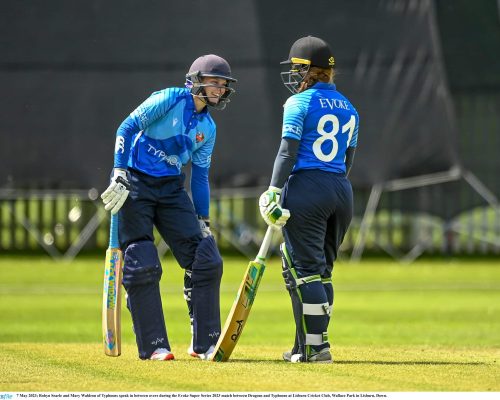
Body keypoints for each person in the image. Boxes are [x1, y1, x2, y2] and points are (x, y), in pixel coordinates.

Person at [100, 54, 237, 361]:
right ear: (196, 81)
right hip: (135, 181)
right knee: (143, 261)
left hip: (171, 188)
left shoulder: (208, 128)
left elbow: (200, 177)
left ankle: (205, 343)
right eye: (214, 82)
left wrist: (204, 219)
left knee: (207, 257)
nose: (219, 89)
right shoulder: (168, 99)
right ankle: (154, 345)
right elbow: (126, 127)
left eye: (223, 85)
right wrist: (120, 171)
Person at [258, 36, 359, 363]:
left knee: (303, 270)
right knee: (322, 273)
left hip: (307, 187)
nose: (293, 74)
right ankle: (305, 346)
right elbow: (348, 160)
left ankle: (317, 348)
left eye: (296, 68)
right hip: (341, 190)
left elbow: (288, 152)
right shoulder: (350, 108)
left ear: (308, 70)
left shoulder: (298, 104)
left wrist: (273, 190)